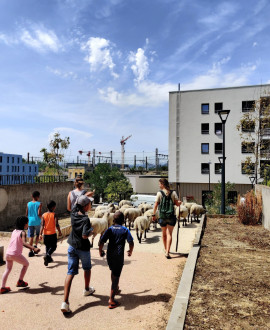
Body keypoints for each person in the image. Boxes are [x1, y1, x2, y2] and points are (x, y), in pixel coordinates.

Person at [61, 195, 94, 314]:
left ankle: (65, 302)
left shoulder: (73, 214)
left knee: (70, 273)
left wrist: (79, 195)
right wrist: (91, 232)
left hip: (71, 246)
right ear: (85, 206)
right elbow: (85, 236)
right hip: (83, 248)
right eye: (89, 203)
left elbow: (74, 205)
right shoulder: (86, 219)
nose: (90, 205)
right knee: (87, 268)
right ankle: (86, 289)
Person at [99, 211, 134, 309]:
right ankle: (111, 300)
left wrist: (100, 251)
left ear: (113, 219)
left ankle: (116, 288)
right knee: (116, 276)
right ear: (123, 220)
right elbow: (131, 242)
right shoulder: (125, 230)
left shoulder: (110, 229)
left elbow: (101, 241)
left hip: (109, 255)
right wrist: (130, 251)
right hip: (118, 255)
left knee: (113, 272)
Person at [1, 216, 40, 294]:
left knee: (8, 269)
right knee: (26, 264)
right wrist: (33, 248)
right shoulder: (22, 232)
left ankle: (2, 287)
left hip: (8, 253)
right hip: (15, 254)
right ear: (24, 224)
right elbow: (24, 243)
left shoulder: (14, 231)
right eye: (27, 223)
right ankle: (20, 281)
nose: (28, 224)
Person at [152, 178, 181, 259]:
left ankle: (165, 249)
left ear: (162, 184)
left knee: (164, 234)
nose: (159, 185)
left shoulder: (159, 193)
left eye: (159, 184)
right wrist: (179, 203)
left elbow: (155, 205)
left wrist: (153, 215)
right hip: (171, 216)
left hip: (162, 216)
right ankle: (168, 251)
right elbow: (177, 204)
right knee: (169, 234)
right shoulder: (173, 193)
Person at [39, 200, 62, 266]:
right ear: (53, 207)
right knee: (54, 247)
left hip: (45, 234)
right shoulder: (54, 214)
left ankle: (48, 259)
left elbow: (42, 225)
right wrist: (60, 232)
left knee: (47, 246)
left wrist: (40, 234)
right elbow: (56, 224)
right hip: (52, 233)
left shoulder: (43, 215)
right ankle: (48, 255)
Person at [26, 191, 42, 257]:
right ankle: (35, 246)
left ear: (32, 196)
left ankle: (30, 251)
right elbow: (39, 214)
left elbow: (26, 213)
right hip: (37, 221)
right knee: (38, 234)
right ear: (38, 197)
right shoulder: (39, 203)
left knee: (31, 236)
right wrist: (43, 218)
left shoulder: (28, 203)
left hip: (30, 221)